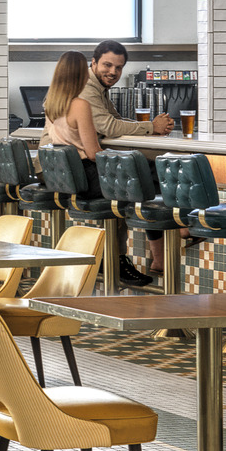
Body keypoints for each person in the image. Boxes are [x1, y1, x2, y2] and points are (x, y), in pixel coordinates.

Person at [46, 51, 151, 285]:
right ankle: (169, 230)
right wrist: (121, 161)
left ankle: (116, 257)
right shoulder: (80, 104)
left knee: (136, 180)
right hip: (87, 177)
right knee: (145, 175)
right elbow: (93, 153)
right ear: (80, 74)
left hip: (65, 180)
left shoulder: (51, 104)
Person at [84, 39, 175, 138]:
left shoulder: (100, 86)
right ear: (94, 63)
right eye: (107, 65)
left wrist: (155, 126)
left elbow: (117, 120)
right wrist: (152, 127)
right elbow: (108, 126)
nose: (113, 72)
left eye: (118, 67)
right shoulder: (86, 85)